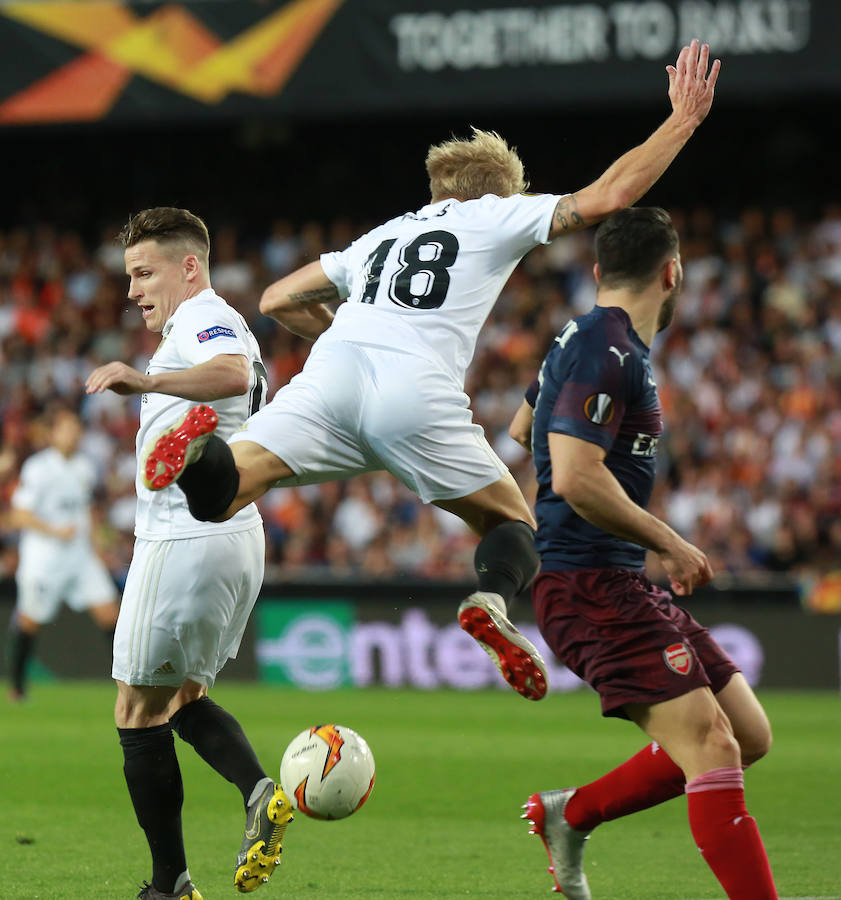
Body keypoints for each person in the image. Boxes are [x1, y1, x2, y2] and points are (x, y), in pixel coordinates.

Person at [140, 42, 718, 703]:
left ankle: (196, 454)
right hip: (414, 386)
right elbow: (609, 195)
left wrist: (352, 332)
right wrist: (682, 120)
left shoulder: (382, 237)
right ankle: (491, 601)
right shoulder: (497, 211)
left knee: (222, 494)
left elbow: (275, 300)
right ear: (500, 187)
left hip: (333, 373)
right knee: (511, 526)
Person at [512, 207, 777, 899]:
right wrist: (669, 540)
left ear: (599, 272)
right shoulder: (607, 348)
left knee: (746, 734)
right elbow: (571, 475)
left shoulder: (587, 337)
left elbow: (521, 426)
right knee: (712, 746)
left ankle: (571, 813)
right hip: (587, 582)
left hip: (614, 580)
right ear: (672, 271)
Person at [85, 208, 290, 900]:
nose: (134, 289)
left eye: (144, 272)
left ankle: (167, 884)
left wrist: (144, 383)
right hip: (233, 533)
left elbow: (232, 373)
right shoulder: (193, 323)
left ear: (189, 265)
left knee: (136, 712)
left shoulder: (206, 317)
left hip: (185, 537)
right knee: (179, 700)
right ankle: (259, 788)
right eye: (129, 276)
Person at [6, 408, 120, 702]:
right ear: (53, 433)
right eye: (67, 428)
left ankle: (130, 683)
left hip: (80, 557)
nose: (74, 433)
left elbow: (86, 510)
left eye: (76, 427)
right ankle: (17, 687)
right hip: (45, 558)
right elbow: (19, 516)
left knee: (111, 614)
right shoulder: (38, 467)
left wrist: (98, 544)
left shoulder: (84, 466)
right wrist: (55, 530)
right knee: (31, 620)